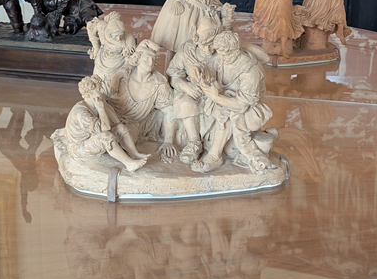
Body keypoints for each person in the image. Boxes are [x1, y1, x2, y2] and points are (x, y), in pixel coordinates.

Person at [196, 31, 275, 173]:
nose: (222, 58)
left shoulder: (250, 71)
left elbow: (242, 105)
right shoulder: (222, 58)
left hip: (248, 108)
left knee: (227, 114)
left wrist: (216, 97)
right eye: (220, 54)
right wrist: (198, 71)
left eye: (225, 54)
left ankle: (214, 155)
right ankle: (198, 144)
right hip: (224, 98)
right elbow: (209, 67)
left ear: (236, 50)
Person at [108, 39, 177, 162]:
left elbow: (169, 111)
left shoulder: (159, 84)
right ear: (138, 59)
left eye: (153, 59)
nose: (150, 62)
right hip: (110, 116)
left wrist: (168, 141)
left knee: (122, 139)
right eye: (146, 58)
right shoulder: (124, 76)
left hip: (132, 124)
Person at [64, 75, 150, 173]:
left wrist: (104, 105)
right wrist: (101, 109)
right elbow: (106, 128)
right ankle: (129, 164)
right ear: (88, 94)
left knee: (120, 128)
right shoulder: (81, 113)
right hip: (78, 147)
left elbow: (116, 121)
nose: (101, 93)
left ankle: (134, 154)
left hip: (91, 137)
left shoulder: (95, 105)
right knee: (106, 137)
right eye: (98, 90)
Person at [166, 17, 222, 164]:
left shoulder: (222, 52)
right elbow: (174, 75)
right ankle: (194, 142)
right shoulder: (187, 50)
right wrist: (185, 86)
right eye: (203, 43)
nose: (208, 49)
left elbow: (230, 79)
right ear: (196, 38)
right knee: (183, 102)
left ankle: (215, 148)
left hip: (216, 92)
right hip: (192, 92)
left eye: (211, 43)